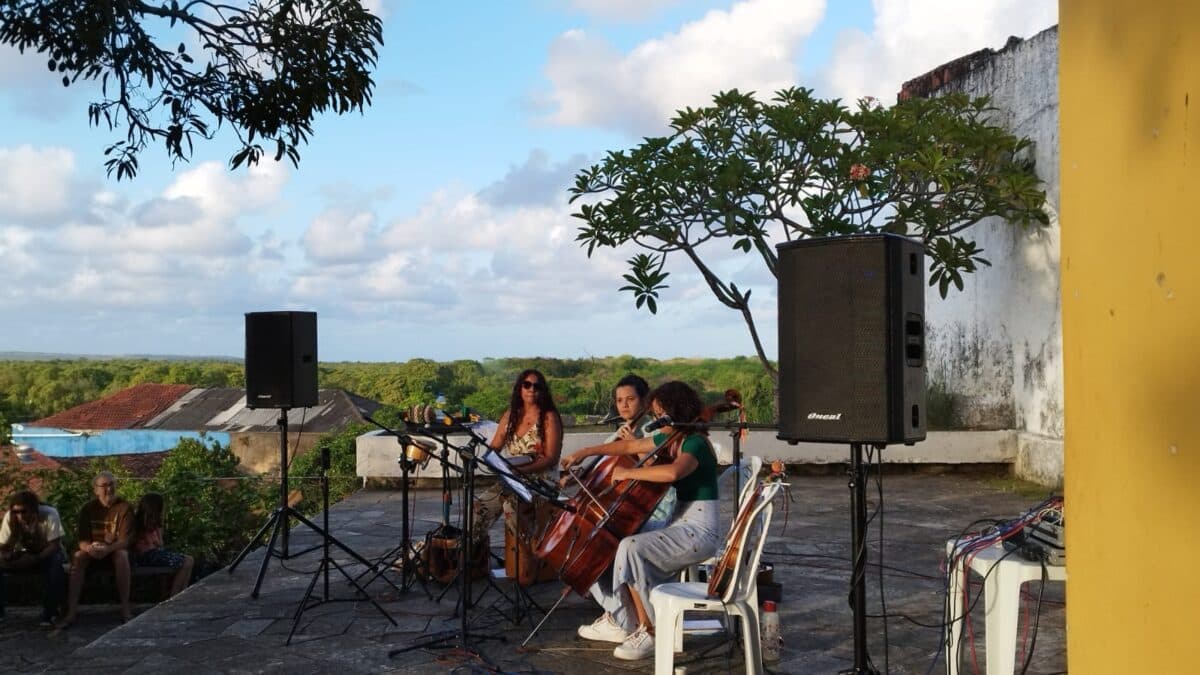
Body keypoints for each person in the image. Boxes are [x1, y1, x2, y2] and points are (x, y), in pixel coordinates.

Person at [560, 381, 721, 661]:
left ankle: (652, 631)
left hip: (699, 531)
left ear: (675, 412)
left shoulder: (694, 443)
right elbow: (630, 445)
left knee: (631, 547)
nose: (656, 421)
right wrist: (583, 453)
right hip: (681, 522)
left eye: (660, 414)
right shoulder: (673, 438)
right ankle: (628, 620)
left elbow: (673, 473)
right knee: (618, 541)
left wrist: (628, 474)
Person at [472, 369, 563, 552]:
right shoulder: (510, 416)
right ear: (520, 388)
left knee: (511, 506)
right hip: (513, 478)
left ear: (542, 391)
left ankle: (528, 554)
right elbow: (495, 446)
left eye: (537, 386)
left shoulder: (549, 417)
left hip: (541, 482)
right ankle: (473, 554)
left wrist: (522, 470)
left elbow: (551, 458)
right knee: (479, 507)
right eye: (527, 385)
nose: (531, 389)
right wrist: (491, 459)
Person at [60, 471, 134, 626]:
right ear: (96, 490)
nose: (109, 489)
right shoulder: (88, 509)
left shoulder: (124, 508)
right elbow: (82, 540)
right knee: (78, 557)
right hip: (93, 552)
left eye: (112, 484)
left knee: (122, 555)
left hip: (114, 552)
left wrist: (107, 549)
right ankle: (71, 612)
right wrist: (89, 548)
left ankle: (125, 609)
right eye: (104, 486)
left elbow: (125, 541)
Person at [0, 490, 66, 627]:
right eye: (16, 511)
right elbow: (3, 545)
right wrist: (7, 555)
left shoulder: (49, 514)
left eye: (23, 511)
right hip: (23, 554)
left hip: (46, 554)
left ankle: (50, 613)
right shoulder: (10, 517)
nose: (20, 515)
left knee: (56, 565)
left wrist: (35, 558)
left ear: (33, 508)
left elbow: (54, 545)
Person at [131, 493, 194, 597]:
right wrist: (155, 543)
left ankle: (182, 594)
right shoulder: (140, 523)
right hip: (146, 557)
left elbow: (160, 543)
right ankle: (174, 596)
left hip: (156, 553)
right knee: (185, 562)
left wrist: (159, 530)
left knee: (190, 560)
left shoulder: (155, 524)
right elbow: (150, 545)